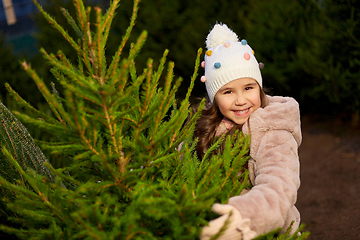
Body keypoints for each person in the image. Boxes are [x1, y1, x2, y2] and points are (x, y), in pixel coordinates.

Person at [196, 23, 302, 240]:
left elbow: (279, 186)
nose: (241, 100)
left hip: (267, 233)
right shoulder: (207, 127)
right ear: (214, 97)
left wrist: (244, 216)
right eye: (227, 91)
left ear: (259, 87)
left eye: (248, 88)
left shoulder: (274, 131)